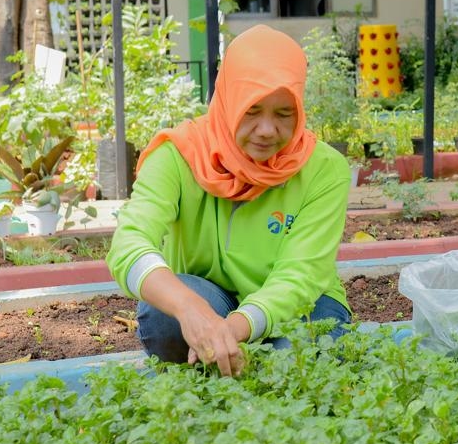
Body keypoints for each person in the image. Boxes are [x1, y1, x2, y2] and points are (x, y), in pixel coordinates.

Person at [106, 25, 352, 377]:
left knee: (294, 356)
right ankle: (225, 361)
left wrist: (232, 330)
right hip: (213, 301)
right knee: (163, 315)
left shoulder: (324, 169)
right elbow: (129, 242)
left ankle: (225, 367)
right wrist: (191, 309)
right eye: (251, 110)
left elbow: (300, 276)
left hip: (301, 306)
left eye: (284, 114)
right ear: (227, 99)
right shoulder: (178, 155)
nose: (267, 130)